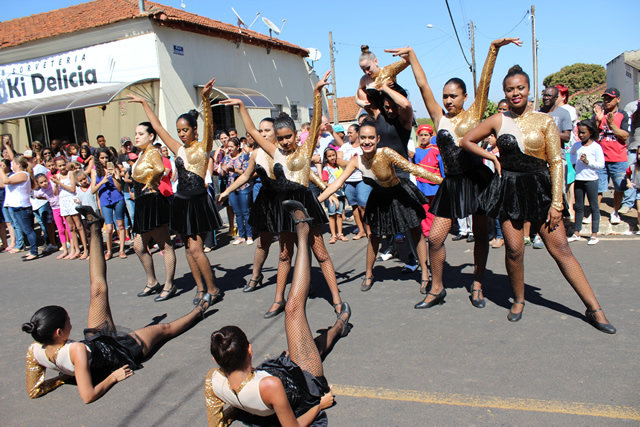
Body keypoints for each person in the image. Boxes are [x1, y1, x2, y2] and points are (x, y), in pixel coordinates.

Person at [459, 65, 616, 334]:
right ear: (505, 92)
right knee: (514, 250)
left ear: (529, 90)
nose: (515, 93)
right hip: (510, 191)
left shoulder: (545, 121)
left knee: (562, 251)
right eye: (510, 89)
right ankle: (518, 299)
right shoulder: (498, 120)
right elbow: (467, 141)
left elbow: (555, 162)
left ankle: (594, 308)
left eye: (520, 88)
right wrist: (493, 158)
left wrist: (557, 203)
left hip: (540, 190)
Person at [23, 206, 212, 403]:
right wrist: (113, 377)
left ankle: (95, 227)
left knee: (97, 289)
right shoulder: (74, 350)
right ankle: (199, 310)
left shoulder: (35, 349)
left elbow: (34, 390)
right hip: (118, 354)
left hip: (95, 342)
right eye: (68, 322)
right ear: (58, 332)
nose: (72, 323)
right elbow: (88, 396)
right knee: (164, 329)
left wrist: (65, 376)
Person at [387, 37, 521, 309]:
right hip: (451, 184)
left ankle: (478, 284)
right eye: (445, 96)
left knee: (481, 235)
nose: (448, 100)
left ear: (464, 97)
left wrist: (493, 48)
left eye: (453, 96)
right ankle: (437, 288)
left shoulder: (474, 114)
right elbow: (423, 85)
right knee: (436, 238)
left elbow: (485, 81)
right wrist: (412, 55)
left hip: (477, 180)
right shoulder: (439, 117)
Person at [205, 200, 349, 426]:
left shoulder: (212, 381)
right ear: (250, 349)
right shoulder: (267, 387)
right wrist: (320, 404)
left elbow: (216, 423)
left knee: (302, 346)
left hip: (270, 379)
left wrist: (234, 406)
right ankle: (303, 234)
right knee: (293, 310)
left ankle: (341, 323)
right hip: (303, 391)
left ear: (216, 360)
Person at [220, 71, 346, 319]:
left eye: (289, 136)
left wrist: (316, 93)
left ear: (296, 134)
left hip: (305, 203)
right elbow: (252, 130)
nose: (285, 141)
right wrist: (242, 106)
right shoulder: (274, 151)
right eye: (281, 138)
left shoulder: (306, 148)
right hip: (284, 206)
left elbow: (316, 120)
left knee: (320, 254)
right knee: (285, 254)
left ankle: (337, 299)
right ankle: (278, 299)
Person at [318, 121, 443, 296]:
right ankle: (368, 274)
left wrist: (442, 182)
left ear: (377, 139)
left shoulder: (386, 153)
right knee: (374, 237)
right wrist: (316, 202)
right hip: (379, 198)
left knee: (416, 231)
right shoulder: (356, 161)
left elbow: (413, 168)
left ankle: (424, 273)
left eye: (371, 137)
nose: (367, 141)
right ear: (359, 139)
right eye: (363, 137)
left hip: (400, 194)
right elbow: (337, 183)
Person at [128, 78, 223, 307]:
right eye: (179, 131)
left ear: (194, 130)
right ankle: (200, 288)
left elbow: (210, 127)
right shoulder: (178, 148)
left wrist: (206, 99)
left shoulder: (205, 146)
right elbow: (158, 127)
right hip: (182, 202)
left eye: (185, 130)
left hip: (198, 202)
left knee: (197, 249)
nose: (181, 134)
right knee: (188, 250)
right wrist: (144, 103)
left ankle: (213, 288)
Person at [128, 122, 178, 302]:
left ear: (151, 136)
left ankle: (169, 285)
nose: (137, 136)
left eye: (141, 133)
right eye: (136, 133)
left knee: (165, 245)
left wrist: (151, 183)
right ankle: (152, 282)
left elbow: (159, 169)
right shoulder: (141, 154)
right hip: (142, 204)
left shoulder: (153, 152)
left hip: (152, 202)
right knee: (138, 247)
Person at [593, 88, 630, 225]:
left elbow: (625, 136)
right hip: (600, 158)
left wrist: (611, 124)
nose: (607, 101)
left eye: (610, 98)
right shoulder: (598, 114)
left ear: (618, 100)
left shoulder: (623, 115)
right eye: (605, 98)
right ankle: (595, 213)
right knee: (597, 188)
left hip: (618, 158)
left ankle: (615, 212)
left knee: (619, 188)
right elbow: (591, 135)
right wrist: (598, 121)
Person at [568, 119, 604, 245]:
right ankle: (576, 232)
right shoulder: (577, 145)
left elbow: (601, 165)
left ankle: (594, 234)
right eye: (579, 132)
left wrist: (588, 162)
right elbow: (572, 153)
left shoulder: (596, 147)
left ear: (591, 132)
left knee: (594, 207)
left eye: (583, 132)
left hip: (591, 180)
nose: (581, 135)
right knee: (578, 206)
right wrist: (574, 163)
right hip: (579, 179)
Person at [0, 155, 39, 261]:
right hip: (15, 206)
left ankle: (34, 252)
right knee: (24, 230)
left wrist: (0, 169)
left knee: (28, 230)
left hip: (22, 207)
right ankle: (32, 249)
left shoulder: (23, 174)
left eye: (12, 163)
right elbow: (4, 183)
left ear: (18, 164)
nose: (11, 165)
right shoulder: (15, 175)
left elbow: (6, 181)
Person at [91, 147, 127, 260]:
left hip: (117, 198)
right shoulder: (94, 171)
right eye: (102, 158)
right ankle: (109, 251)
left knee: (120, 225)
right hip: (104, 200)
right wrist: (102, 181)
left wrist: (114, 177)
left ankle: (121, 250)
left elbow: (119, 188)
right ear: (98, 159)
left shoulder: (114, 168)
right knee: (109, 227)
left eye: (106, 157)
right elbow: (92, 190)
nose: (105, 160)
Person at [52, 156, 88, 260]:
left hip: (72, 200)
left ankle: (86, 249)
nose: (62, 167)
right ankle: (76, 250)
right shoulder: (57, 176)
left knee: (79, 226)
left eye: (64, 165)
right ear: (57, 167)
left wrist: (59, 183)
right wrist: (56, 184)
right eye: (60, 166)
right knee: (71, 228)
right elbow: (55, 193)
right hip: (63, 202)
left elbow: (72, 189)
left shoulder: (70, 174)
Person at [412, 124, 444, 240]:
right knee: (424, 209)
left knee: (436, 209)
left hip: (435, 185)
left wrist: (444, 182)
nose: (423, 137)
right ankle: (427, 232)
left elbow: (442, 168)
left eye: (426, 135)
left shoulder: (436, 150)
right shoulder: (415, 151)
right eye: (421, 135)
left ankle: (437, 231)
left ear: (431, 136)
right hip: (421, 185)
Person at [220, 137, 253, 245]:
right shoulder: (226, 158)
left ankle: (249, 235)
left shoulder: (244, 156)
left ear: (238, 146)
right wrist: (224, 171)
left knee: (246, 212)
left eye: (231, 146)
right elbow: (222, 174)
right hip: (231, 188)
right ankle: (241, 236)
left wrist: (234, 170)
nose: (229, 148)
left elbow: (246, 172)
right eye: (228, 146)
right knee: (238, 213)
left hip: (244, 187)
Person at [356, 45, 409, 109]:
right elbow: (358, 92)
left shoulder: (388, 70)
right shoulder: (364, 79)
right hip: (379, 110)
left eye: (368, 68)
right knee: (361, 92)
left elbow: (406, 62)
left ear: (376, 61)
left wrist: (407, 55)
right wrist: (359, 101)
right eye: (363, 70)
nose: (367, 72)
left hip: (396, 108)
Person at [34, 173, 68, 258]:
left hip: (62, 206)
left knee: (68, 227)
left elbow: (56, 192)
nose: (44, 183)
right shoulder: (41, 191)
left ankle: (71, 244)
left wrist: (55, 184)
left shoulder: (52, 184)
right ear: (38, 184)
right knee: (60, 229)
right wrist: (47, 198)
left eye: (45, 181)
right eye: (41, 182)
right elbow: (37, 196)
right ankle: (64, 249)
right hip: (55, 209)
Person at [322, 147, 348, 243]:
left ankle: (340, 233)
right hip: (331, 196)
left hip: (340, 194)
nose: (332, 157)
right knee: (332, 215)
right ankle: (333, 235)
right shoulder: (326, 169)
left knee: (340, 214)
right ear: (326, 158)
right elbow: (324, 183)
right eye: (329, 156)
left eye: (333, 155)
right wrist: (335, 186)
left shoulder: (339, 167)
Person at [625, 149, 640, 233]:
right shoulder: (634, 166)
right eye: (639, 154)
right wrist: (629, 182)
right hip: (639, 191)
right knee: (639, 211)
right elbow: (627, 173)